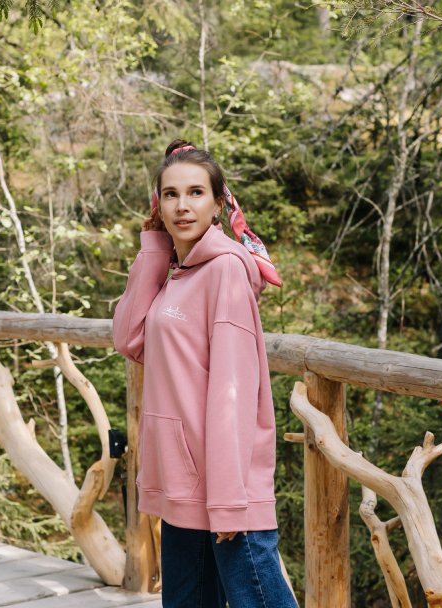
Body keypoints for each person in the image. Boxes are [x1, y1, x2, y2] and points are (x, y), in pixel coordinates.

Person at [112, 139, 296, 608]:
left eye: (196, 192)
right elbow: (130, 338)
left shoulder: (226, 271)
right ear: (158, 205)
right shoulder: (176, 271)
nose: (182, 205)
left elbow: (234, 390)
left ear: (218, 204)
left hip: (225, 487)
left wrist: (229, 499)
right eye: (170, 194)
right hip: (184, 483)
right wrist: (154, 247)